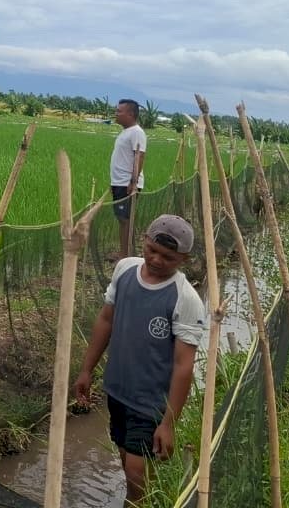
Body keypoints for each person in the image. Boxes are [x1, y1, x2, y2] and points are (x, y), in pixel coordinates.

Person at [72, 214, 206, 507]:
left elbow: (184, 366)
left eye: (167, 257)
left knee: (134, 469)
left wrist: (169, 423)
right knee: (126, 455)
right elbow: (106, 320)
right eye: (152, 251)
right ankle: (144, 498)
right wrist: (86, 370)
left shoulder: (185, 299)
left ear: (183, 259)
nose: (156, 260)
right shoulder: (125, 270)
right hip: (118, 390)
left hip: (151, 400)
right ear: (144, 240)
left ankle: (138, 503)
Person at [109, 99, 148, 259]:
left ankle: (125, 255)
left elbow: (139, 156)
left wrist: (133, 182)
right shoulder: (126, 132)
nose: (116, 114)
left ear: (130, 114)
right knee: (122, 218)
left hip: (127, 184)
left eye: (119, 111)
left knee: (125, 219)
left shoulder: (136, 132)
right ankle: (124, 252)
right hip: (119, 182)